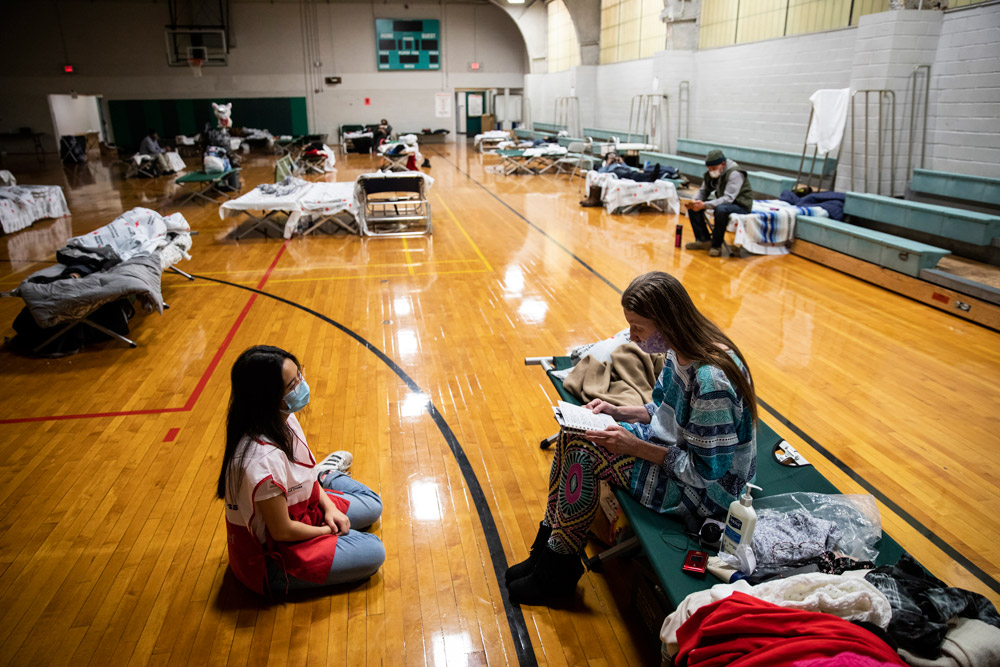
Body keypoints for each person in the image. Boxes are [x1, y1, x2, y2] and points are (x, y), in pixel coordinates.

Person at [506, 271, 757, 606]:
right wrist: (619, 411)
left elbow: (705, 472)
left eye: (638, 327)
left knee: (586, 451)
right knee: (575, 433)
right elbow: (664, 410)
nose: (632, 336)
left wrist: (633, 446)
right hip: (674, 456)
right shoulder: (680, 347)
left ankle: (557, 574)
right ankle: (547, 552)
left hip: (706, 494)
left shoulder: (711, 380)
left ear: (666, 321)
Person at [218, 345, 385, 595]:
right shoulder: (260, 463)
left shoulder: (282, 416)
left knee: (373, 506)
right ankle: (323, 475)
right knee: (373, 551)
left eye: (299, 375)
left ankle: (323, 473)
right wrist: (328, 530)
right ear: (268, 397)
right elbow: (283, 531)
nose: (301, 385)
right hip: (275, 555)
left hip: (302, 506)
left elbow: (303, 478)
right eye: (292, 383)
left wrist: (329, 508)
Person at [685, 149, 754, 257]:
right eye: (709, 169)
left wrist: (705, 205)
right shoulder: (710, 174)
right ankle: (703, 240)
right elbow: (703, 191)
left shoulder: (735, 173)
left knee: (720, 210)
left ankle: (716, 246)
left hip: (740, 204)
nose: (711, 171)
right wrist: (694, 201)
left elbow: (728, 198)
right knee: (693, 207)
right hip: (725, 202)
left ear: (723, 164)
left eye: (713, 168)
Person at [579, 151, 663, 207]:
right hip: (615, 171)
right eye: (611, 156)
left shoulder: (619, 163)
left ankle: (650, 176)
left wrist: (622, 162)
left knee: (633, 173)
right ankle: (650, 177)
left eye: (614, 156)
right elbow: (600, 172)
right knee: (630, 174)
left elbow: (628, 168)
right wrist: (608, 163)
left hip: (624, 170)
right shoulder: (604, 164)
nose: (613, 158)